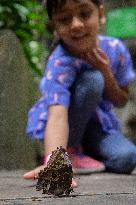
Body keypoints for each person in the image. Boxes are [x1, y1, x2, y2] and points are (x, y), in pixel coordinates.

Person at [23, 0, 136, 187]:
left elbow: (121, 100)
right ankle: (64, 154)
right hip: (65, 128)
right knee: (92, 80)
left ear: (100, 14)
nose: (76, 24)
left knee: (128, 158)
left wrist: (105, 71)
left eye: (84, 14)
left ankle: (84, 156)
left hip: (97, 128)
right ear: (55, 27)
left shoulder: (116, 49)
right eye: (65, 19)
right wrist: (55, 162)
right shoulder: (59, 62)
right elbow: (57, 115)